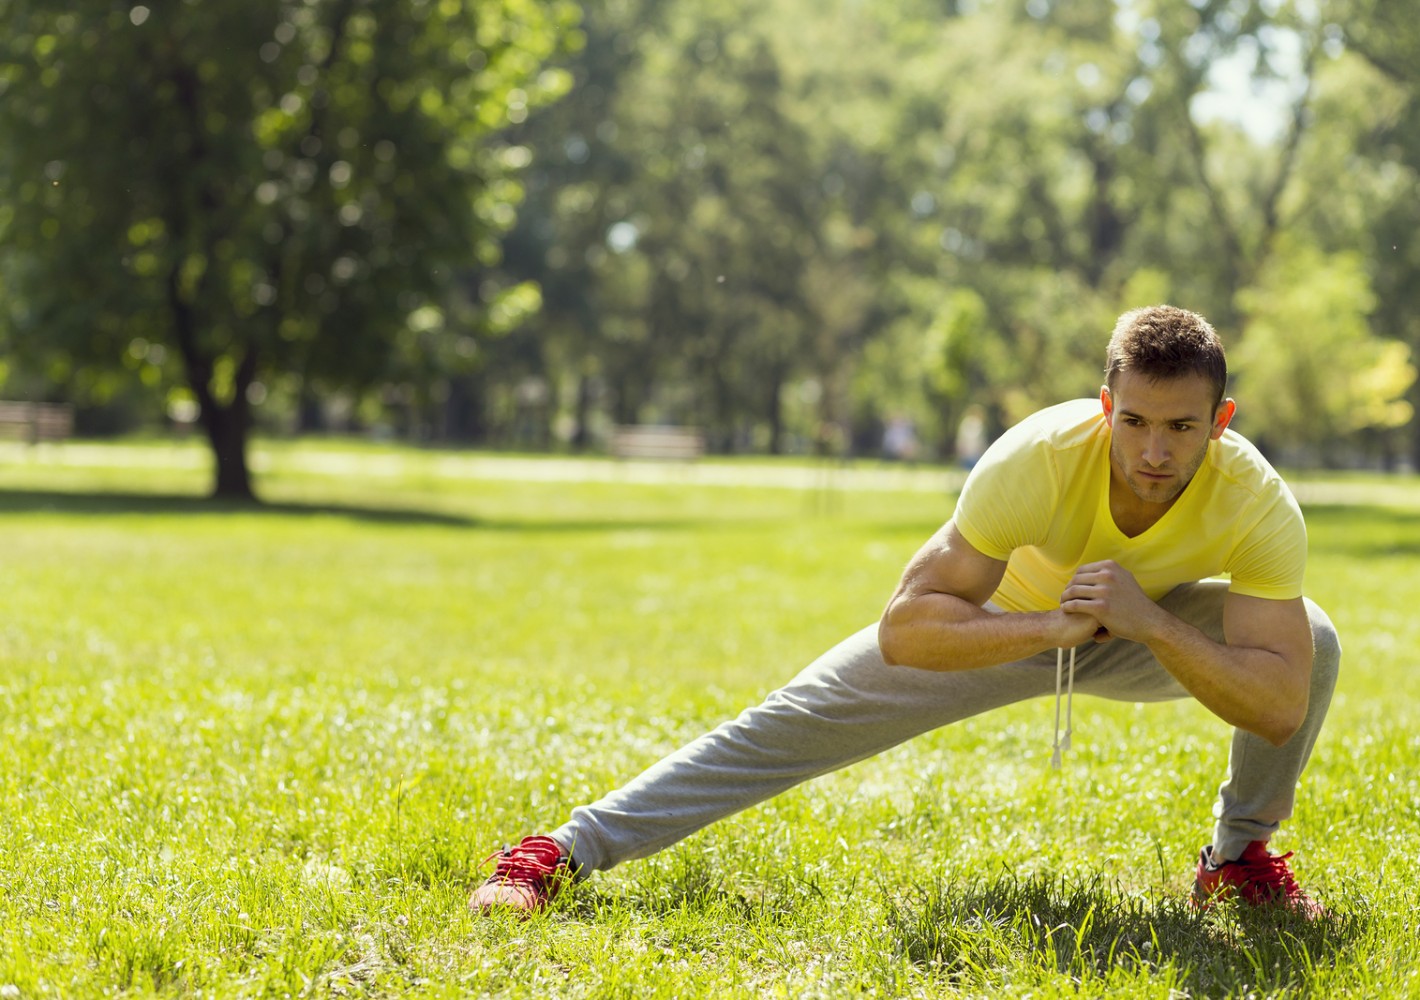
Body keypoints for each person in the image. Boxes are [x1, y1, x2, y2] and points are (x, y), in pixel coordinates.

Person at [472, 305, 1340, 918]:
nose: (1154, 451)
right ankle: (563, 851)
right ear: (1107, 407)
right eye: (1137, 421)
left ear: (1220, 421)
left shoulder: (1255, 500)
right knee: (781, 727)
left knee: (1314, 639)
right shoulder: (1037, 459)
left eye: (1182, 428)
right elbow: (907, 628)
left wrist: (1149, 621)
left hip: (1140, 632)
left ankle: (1238, 860)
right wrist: (1047, 627)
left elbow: (1278, 704)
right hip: (999, 627)